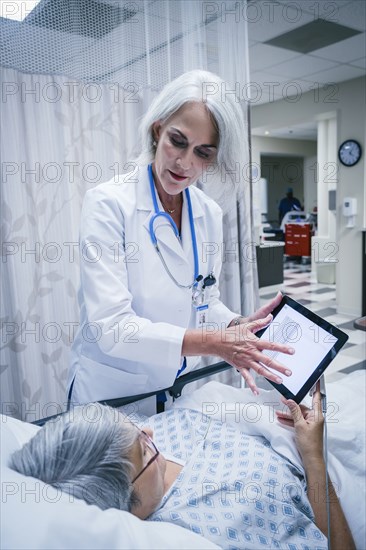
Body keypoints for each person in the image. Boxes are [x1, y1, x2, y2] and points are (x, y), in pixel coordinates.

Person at [67, 69, 295, 406]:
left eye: (203, 153)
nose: (184, 162)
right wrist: (215, 343)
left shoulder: (208, 214)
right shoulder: (109, 204)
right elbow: (113, 328)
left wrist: (234, 324)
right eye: (178, 140)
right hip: (111, 391)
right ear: (158, 130)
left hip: (174, 387)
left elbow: (204, 299)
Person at [10, 385, 355, 550]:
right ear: (128, 505)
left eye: (133, 425)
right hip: (328, 461)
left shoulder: (146, 441)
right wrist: (314, 456)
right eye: (144, 451)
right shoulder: (208, 532)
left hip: (273, 416)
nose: (149, 431)